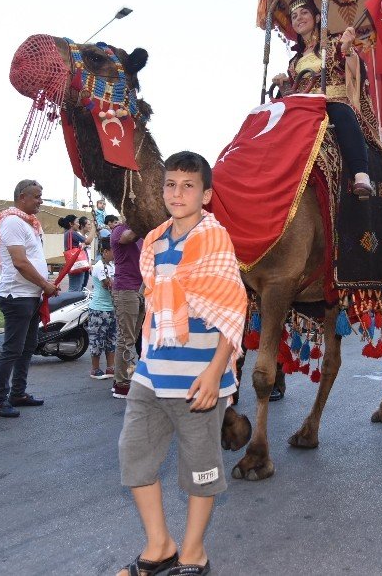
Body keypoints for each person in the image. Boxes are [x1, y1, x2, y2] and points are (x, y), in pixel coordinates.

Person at [117, 151, 247, 576]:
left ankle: (194, 553)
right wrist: (142, 361)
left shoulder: (215, 241)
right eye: (171, 184)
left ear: (206, 194)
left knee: (200, 470)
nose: (178, 192)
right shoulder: (153, 242)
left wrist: (216, 373)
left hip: (198, 381)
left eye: (188, 185)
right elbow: (155, 306)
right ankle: (160, 546)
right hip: (152, 375)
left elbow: (232, 307)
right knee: (134, 459)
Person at [271, 0, 374, 197]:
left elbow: (357, 73)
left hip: (332, 102)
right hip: (304, 108)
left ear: (318, 18)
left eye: (304, 13)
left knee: (342, 113)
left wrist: (348, 51)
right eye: (294, 16)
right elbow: (293, 92)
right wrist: (284, 84)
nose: (298, 18)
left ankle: (361, 174)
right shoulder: (295, 62)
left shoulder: (335, 43)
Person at [0, 179, 59, 418]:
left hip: (29, 295)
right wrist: (45, 284)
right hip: (16, 295)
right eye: (37, 196)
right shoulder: (12, 222)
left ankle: (17, 393)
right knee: (12, 349)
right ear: (22, 197)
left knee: (27, 347)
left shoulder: (29, 224)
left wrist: (42, 287)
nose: (41, 201)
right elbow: (20, 262)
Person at [111, 215, 145, 399]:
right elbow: (128, 237)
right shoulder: (119, 230)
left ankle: (123, 377)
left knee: (131, 337)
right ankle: (122, 383)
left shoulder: (142, 236)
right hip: (126, 290)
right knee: (126, 338)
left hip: (139, 289)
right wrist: (144, 218)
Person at [88, 237, 117, 380]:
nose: (116, 253)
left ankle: (110, 367)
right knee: (97, 340)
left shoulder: (113, 265)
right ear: (105, 251)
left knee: (111, 339)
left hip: (111, 309)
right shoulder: (100, 266)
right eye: (113, 251)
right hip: (99, 309)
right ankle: (95, 369)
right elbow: (108, 284)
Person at [60, 214, 89, 293]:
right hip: (76, 263)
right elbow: (88, 241)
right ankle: (69, 304)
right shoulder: (72, 233)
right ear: (71, 224)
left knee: (74, 288)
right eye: (77, 222)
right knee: (75, 289)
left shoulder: (67, 233)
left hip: (71, 263)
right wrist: (94, 229)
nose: (79, 224)